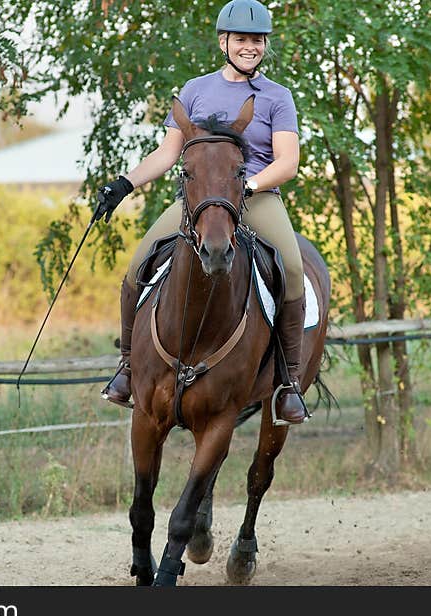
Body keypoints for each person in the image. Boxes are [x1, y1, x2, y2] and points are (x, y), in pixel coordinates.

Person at [98, 0, 308, 425]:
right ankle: (126, 367)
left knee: (292, 268)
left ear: (264, 45)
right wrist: (125, 183)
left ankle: (289, 384)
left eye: (257, 40)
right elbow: (168, 152)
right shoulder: (195, 89)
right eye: (242, 39)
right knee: (138, 264)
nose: (250, 47)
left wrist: (246, 186)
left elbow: (288, 161)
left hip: (255, 196)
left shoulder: (276, 97)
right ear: (223, 42)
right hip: (198, 201)